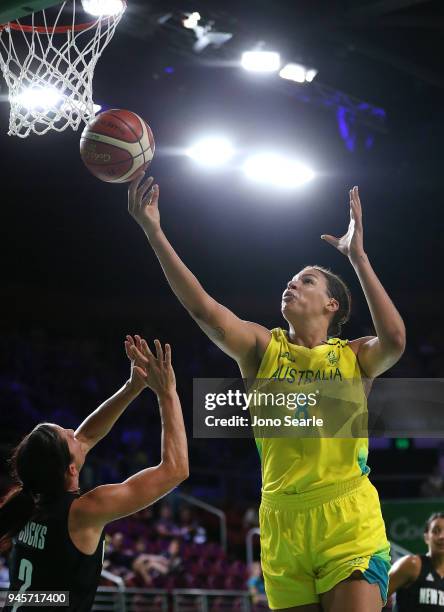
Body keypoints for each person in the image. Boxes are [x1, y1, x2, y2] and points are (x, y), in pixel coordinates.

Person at [128, 176, 405, 612]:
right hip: (280, 522)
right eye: (291, 280)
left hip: (347, 518)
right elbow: (203, 308)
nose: (292, 285)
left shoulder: (354, 356)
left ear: (332, 306)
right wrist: (153, 231)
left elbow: (394, 339)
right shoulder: (262, 349)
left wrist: (358, 259)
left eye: (307, 281)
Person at [0, 336, 188, 611]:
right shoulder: (83, 511)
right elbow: (176, 470)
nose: (74, 432)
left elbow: (86, 436)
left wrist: (132, 387)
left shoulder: (30, 500)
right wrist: (167, 392)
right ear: (71, 469)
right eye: (67, 435)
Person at [388, 512, 444, 611]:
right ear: (426, 537)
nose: (441, 536)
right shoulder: (412, 565)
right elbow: (373, 597)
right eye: (436, 531)